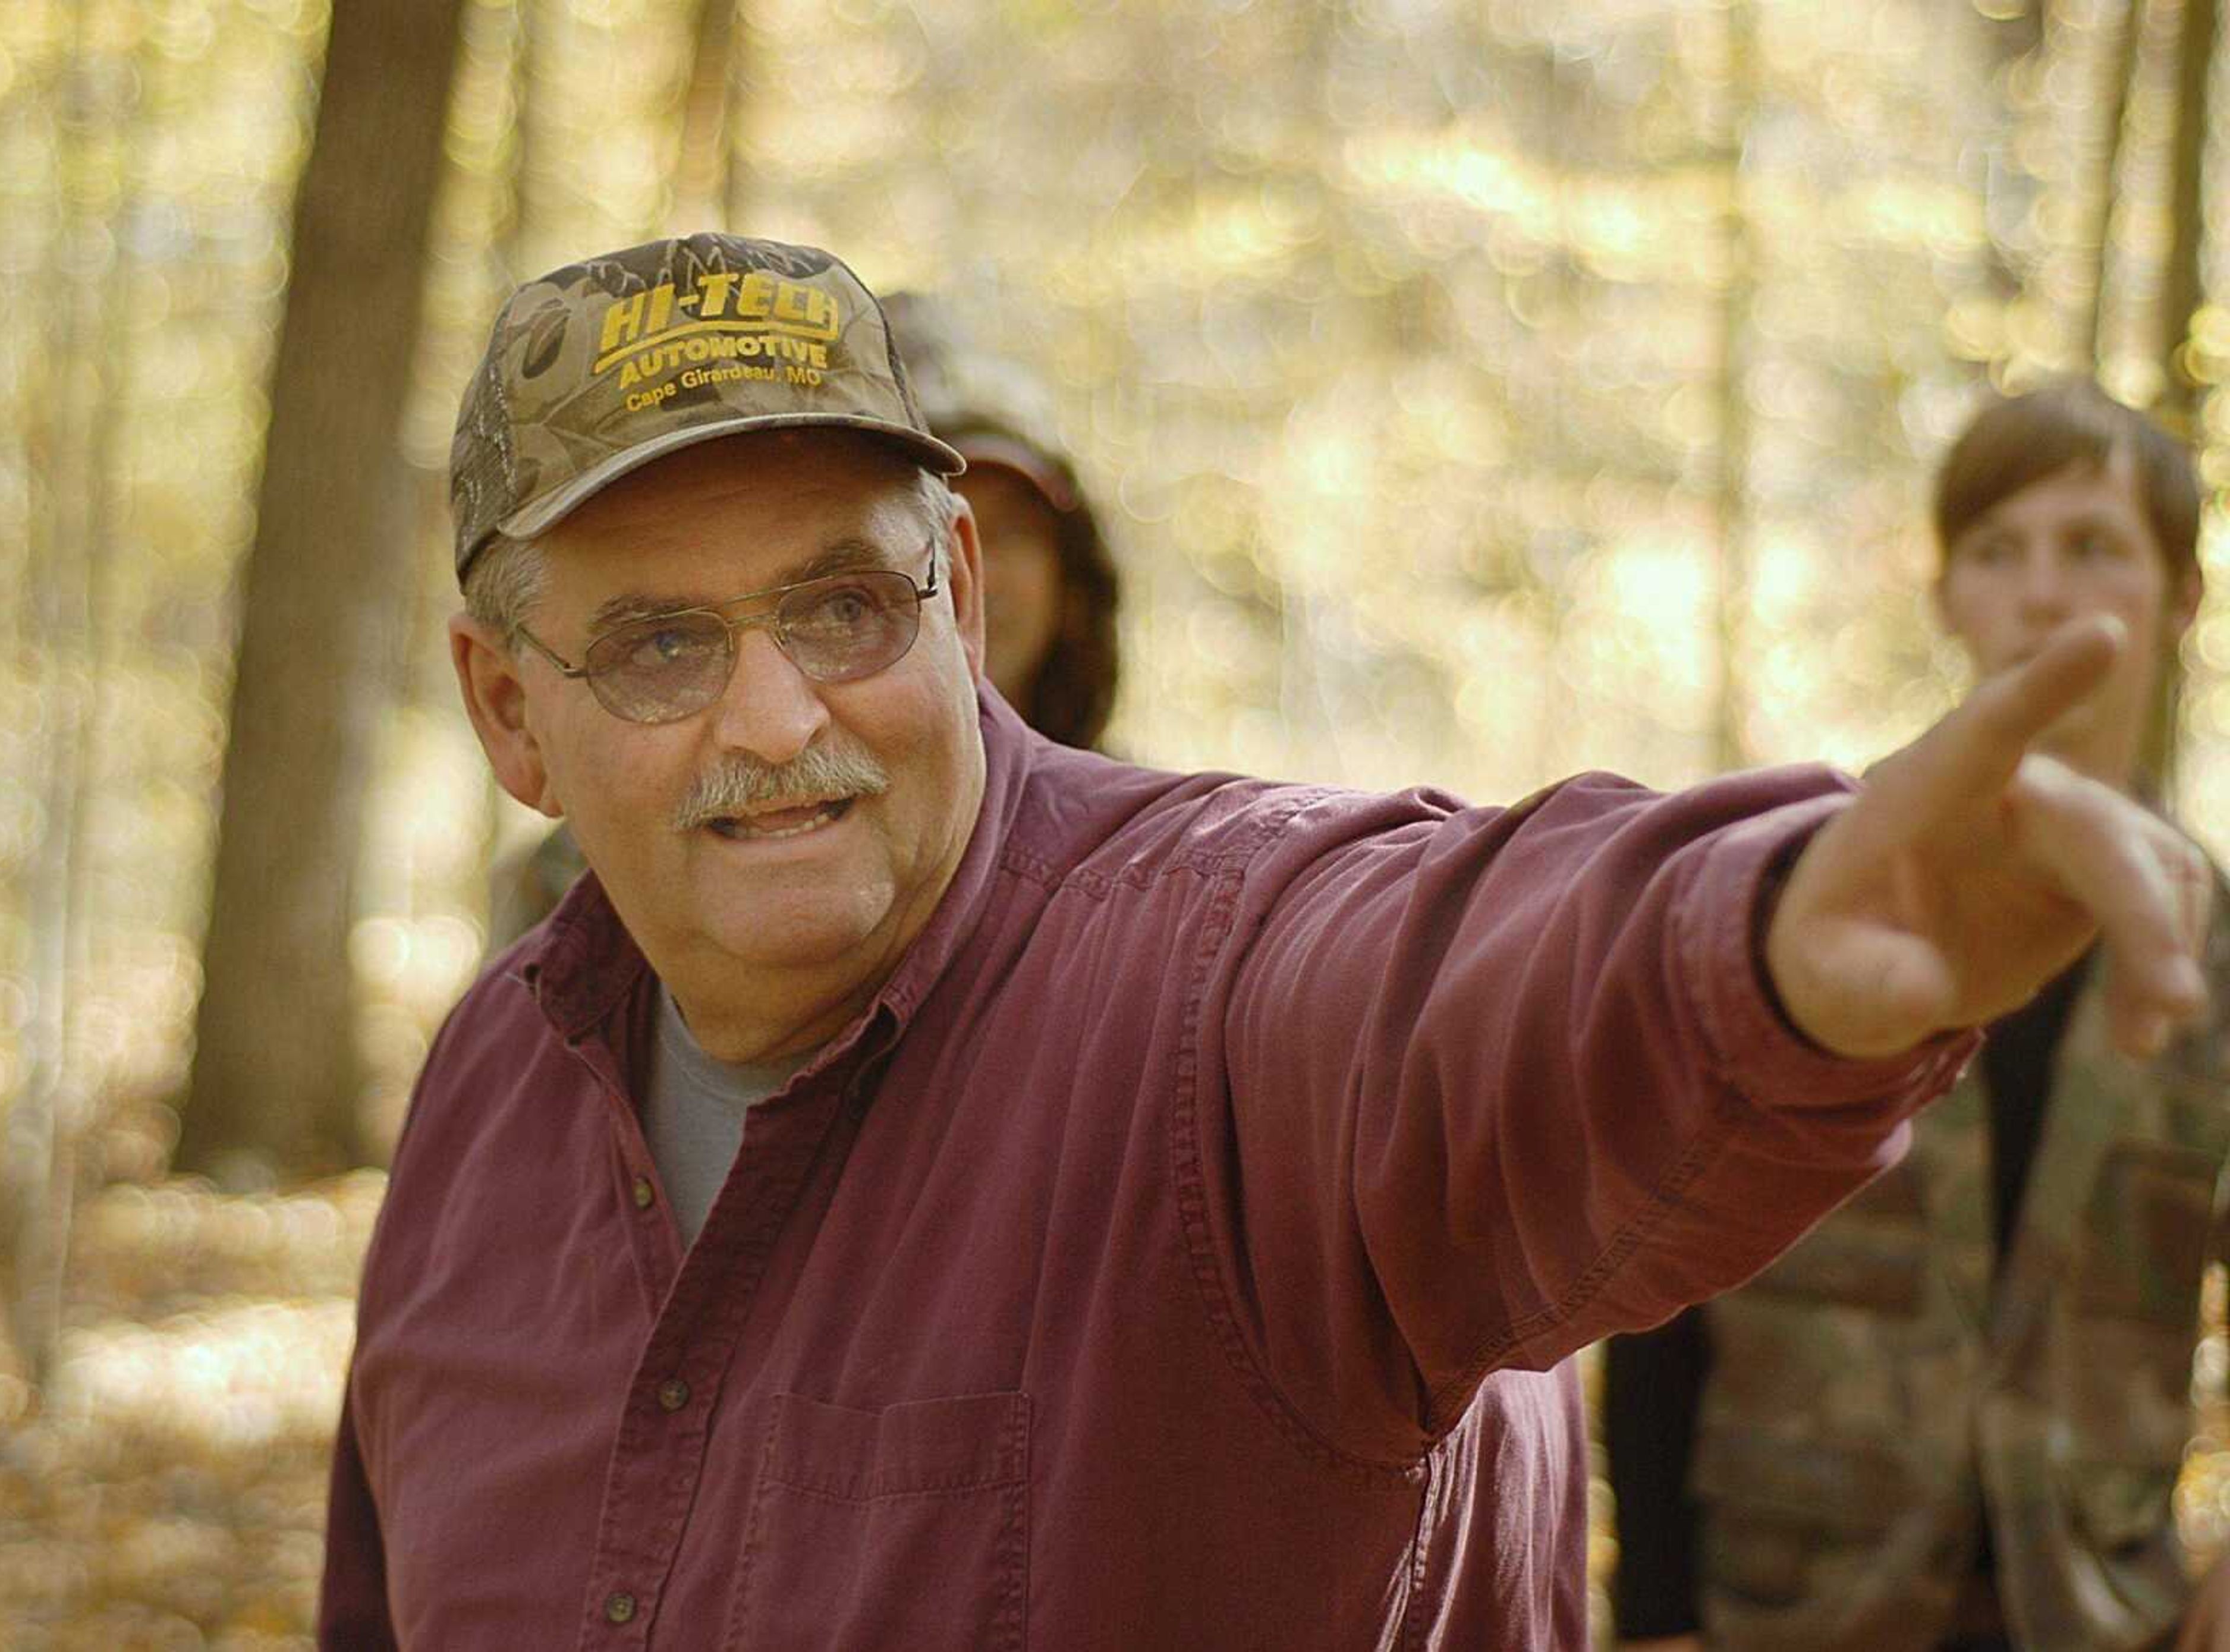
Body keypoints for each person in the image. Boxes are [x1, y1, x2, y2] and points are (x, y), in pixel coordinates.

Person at [318, 234, 2210, 1650]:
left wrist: (1765, 931)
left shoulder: (1214, 982)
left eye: (839, 605)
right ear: (508, 715)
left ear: (959, 598)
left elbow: (1452, 979)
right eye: (659, 642)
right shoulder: (503, 1068)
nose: (773, 717)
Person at [1604, 380, 2230, 1652]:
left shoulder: (2213, 941)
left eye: (2095, 547)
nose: (2044, 594)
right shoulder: (1813, 893)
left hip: (2098, 1614)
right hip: (1787, 1611)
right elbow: (1666, 1266)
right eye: (1999, 551)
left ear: (2181, 600)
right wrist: (1658, 1610)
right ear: (1947, 594)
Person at [482, 287, 1121, 947]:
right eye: (668, 643)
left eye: (1011, 532)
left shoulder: (1148, 863)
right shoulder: (586, 882)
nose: (777, 726)